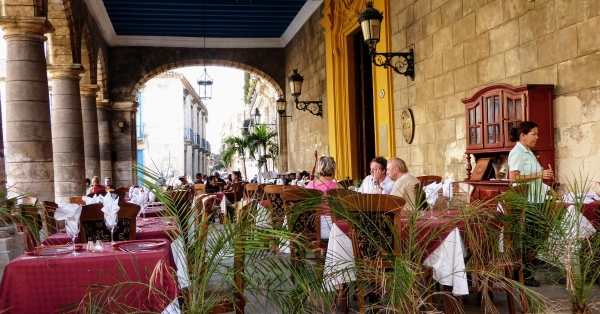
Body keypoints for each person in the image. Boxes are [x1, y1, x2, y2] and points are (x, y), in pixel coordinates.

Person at [508, 121, 554, 287]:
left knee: (532, 239)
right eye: (533, 134)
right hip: (526, 202)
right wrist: (539, 174)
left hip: (536, 200)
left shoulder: (528, 152)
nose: (537, 137)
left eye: (537, 133)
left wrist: (549, 190)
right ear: (523, 135)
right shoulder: (517, 153)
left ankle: (522, 272)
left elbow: (535, 178)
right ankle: (523, 275)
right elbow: (514, 178)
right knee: (527, 239)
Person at [306, 156, 343, 241]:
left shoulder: (310, 185)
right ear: (333, 169)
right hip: (332, 229)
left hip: (312, 228)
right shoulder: (337, 187)